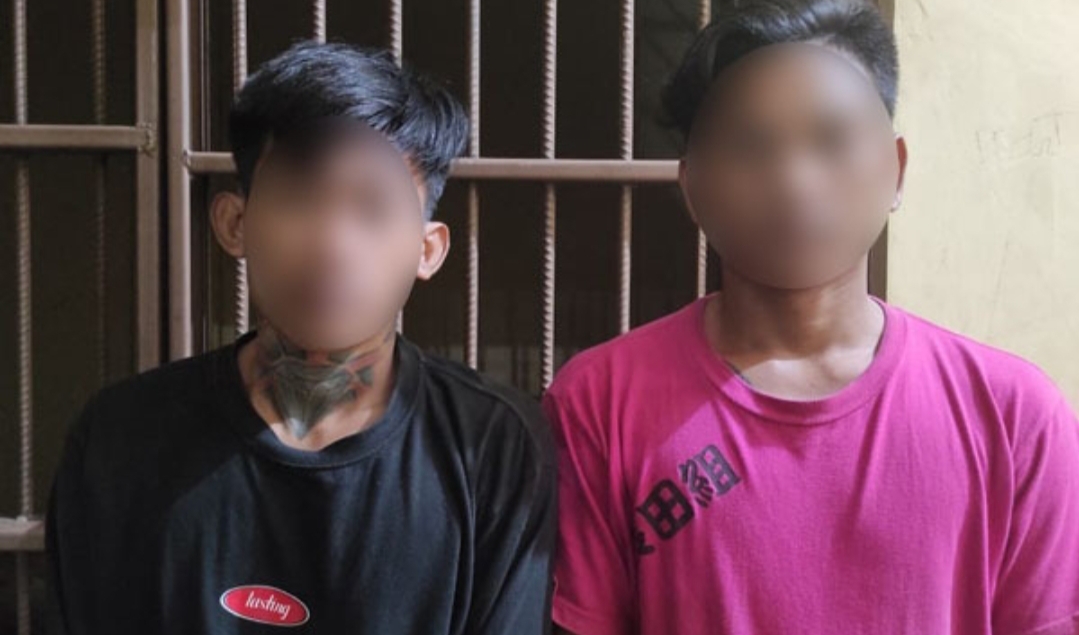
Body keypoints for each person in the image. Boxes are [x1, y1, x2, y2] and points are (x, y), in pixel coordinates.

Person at [545, 1, 1079, 634]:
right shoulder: (601, 401)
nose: (794, 180)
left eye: (831, 141)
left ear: (896, 170)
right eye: (750, 146)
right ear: (693, 186)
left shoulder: (1013, 415)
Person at [48, 42, 555, 634]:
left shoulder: (491, 449)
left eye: (373, 208)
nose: (333, 244)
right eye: (298, 198)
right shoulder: (121, 439)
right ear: (235, 223)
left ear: (427, 250)